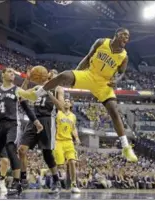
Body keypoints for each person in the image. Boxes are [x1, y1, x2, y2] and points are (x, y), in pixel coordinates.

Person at [41, 28, 137, 162]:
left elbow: (121, 72)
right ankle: (39, 92)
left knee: (114, 111)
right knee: (63, 75)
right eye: (124, 35)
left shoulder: (124, 56)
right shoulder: (101, 42)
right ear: (116, 35)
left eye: (128, 37)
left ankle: (126, 147)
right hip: (90, 75)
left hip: (104, 83)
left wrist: (116, 80)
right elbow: (87, 57)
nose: (126, 38)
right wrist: (76, 73)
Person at [0, 68, 46, 195]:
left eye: (14, 73)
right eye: (10, 71)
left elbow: (31, 96)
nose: (12, 74)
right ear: (3, 74)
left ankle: (17, 183)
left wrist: (41, 87)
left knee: (11, 148)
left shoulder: (17, 89)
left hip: (12, 124)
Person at [18, 67, 64, 194]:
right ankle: (23, 180)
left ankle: (56, 181)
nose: (52, 76)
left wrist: (49, 93)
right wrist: (27, 80)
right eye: (51, 74)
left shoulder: (58, 89)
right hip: (34, 120)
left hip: (48, 120)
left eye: (55, 75)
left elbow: (61, 107)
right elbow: (21, 96)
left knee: (47, 154)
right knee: (21, 150)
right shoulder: (38, 88)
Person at [54, 98, 81, 193]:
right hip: (58, 141)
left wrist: (76, 137)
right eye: (64, 101)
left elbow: (74, 128)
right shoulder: (58, 113)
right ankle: (58, 184)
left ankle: (74, 184)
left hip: (69, 141)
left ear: (71, 105)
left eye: (68, 101)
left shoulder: (73, 116)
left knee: (72, 162)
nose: (66, 102)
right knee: (60, 166)